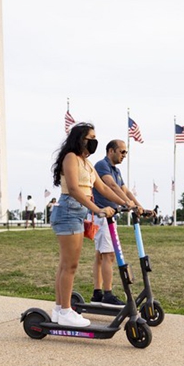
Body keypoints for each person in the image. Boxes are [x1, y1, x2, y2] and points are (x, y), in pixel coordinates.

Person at [50, 123, 131, 327]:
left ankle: (59, 310)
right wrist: (97, 210)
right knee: (70, 265)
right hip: (68, 210)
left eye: (95, 137)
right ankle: (66, 311)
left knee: (66, 264)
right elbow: (75, 189)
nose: (94, 141)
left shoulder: (87, 163)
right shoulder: (70, 157)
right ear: (80, 138)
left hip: (77, 212)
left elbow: (102, 187)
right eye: (90, 137)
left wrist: (125, 203)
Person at [91, 140, 141, 305]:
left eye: (126, 152)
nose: (124, 155)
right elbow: (110, 185)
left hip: (109, 216)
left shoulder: (116, 170)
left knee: (100, 256)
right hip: (102, 215)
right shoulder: (102, 165)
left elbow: (125, 190)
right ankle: (107, 294)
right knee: (109, 255)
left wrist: (139, 206)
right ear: (111, 151)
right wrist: (127, 203)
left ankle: (97, 293)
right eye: (122, 151)